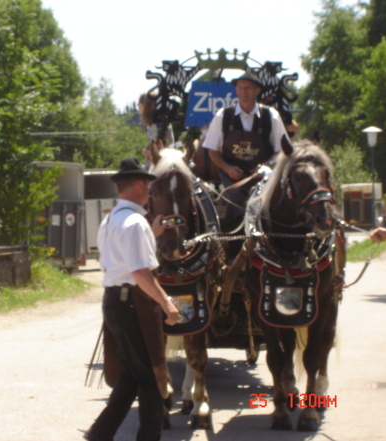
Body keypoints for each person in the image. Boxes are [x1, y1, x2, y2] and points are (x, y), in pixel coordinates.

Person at [84, 157, 179, 441]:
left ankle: (99, 434)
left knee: (130, 376)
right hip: (133, 304)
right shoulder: (136, 222)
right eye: (148, 184)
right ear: (138, 184)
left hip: (115, 302)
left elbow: (121, 258)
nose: (150, 190)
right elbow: (138, 271)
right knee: (151, 379)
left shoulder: (111, 218)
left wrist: (152, 233)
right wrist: (166, 302)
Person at [202, 71, 290, 228]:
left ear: (257, 91)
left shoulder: (271, 116)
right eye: (240, 88)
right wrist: (228, 169)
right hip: (233, 179)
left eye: (248, 88)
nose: (244, 92)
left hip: (263, 177)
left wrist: (267, 164)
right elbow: (212, 152)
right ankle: (233, 241)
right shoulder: (223, 116)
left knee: (273, 202)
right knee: (236, 201)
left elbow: (282, 150)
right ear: (236, 90)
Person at [138, 92, 174, 170]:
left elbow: (161, 150)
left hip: (160, 165)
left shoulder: (158, 125)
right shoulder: (154, 124)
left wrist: (145, 152)